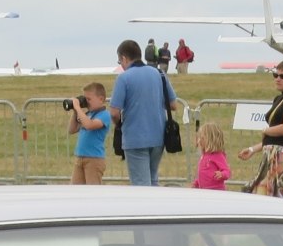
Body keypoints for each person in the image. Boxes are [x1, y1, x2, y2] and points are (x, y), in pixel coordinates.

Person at [110, 39, 179, 187]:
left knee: (141, 184)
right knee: (153, 180)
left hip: (135, 138)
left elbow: (114, 112)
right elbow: (173, 105)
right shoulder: (159, 74)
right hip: (158, 137)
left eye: (120, 61)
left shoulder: (123, 78)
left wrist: (118, 124)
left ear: (124, 58)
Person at [238, 59, 283, 199]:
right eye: (275, 75)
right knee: (260, 194)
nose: (277, 79)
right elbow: (274, 136)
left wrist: (266, 130)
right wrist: (253, 149)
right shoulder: (279, 99)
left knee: (282, 197)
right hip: (271, 155)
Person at [67, 82, 112, 185]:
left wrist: (78, 108)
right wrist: (75, 111)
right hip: (80, 157)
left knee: (92, 191)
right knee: (75, 190)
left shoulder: (105, 115)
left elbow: (89, 125)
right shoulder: (87, 115)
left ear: (101, 99)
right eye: (85, 99)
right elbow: (72, 130)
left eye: (89, 99)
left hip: (94, 159)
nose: (86, 102)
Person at [192, 122, 231, 191]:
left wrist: (222, 174)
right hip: (204, 190)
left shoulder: (218, 156)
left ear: (211, 140)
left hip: (216, 191)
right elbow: (204, 173)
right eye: (199, 138)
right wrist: (197, 183)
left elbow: (227, 171)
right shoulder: (204, 156)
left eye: (202, 138)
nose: (199, 141)